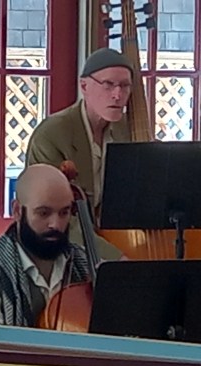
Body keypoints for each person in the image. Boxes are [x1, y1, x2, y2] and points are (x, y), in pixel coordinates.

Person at [26, 47, 134, 261]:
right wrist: (113, 257)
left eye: (124, 86)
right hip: (57, 248)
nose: (117, 94)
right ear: (84, 86)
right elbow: (51, 216)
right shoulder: (52, 134)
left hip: (114, 239)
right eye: (108, 85)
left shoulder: (129, 131)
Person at [0, 164, 93, 326]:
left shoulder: (88, 266)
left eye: (64, 213)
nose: (55, 225)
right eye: (43, 213)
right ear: (17, 211)